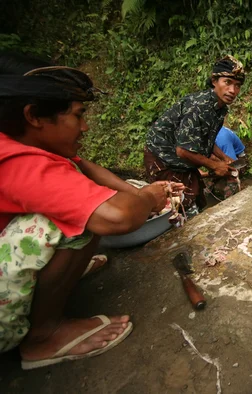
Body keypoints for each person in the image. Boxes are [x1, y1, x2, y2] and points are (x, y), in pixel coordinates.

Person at [0, 53, 184, 369]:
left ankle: (47, 280)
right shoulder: (18, 165)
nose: (84, 126)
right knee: (82, 217)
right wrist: (148, 199)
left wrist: (146, 192)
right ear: (34, 116)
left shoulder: (22, 144)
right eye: (77, 115)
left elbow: (83, 167)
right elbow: (118, 216)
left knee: (107, 197)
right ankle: (43, 335)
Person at [144, 55, 245, 215]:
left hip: (183, 159)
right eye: (227, 82)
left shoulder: (220, 108)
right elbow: (182, 151)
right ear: (214, 81)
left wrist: (223, 158)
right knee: (179, 209)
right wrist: (214, 165)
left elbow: (207, 140)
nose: (232, 90)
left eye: (237, 85)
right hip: (164, 159)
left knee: (197, 202)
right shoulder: (198, 107)